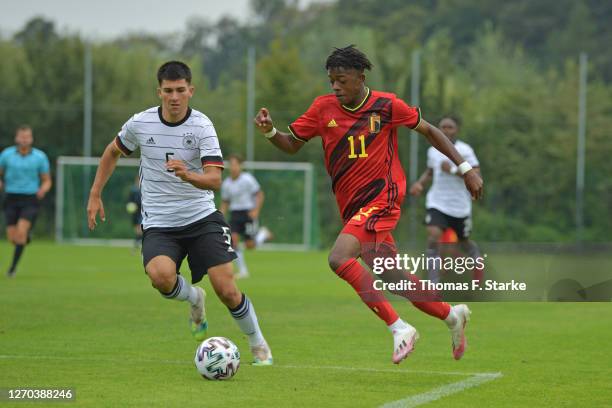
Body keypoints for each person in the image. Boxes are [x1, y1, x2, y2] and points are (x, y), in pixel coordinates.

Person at [254, 45, 483, 363]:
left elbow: (430, 132)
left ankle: (399, 328)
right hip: (354, 210)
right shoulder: (323, 109)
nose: (335, 86)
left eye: (342, 79)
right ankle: (452, 316)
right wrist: (269, 132)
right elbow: (292, 144)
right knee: (397, 279)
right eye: (331, 80)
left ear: (360, 77)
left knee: (338, 258)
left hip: (384, 199)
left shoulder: (387, 106)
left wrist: (465, 168)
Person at [87, 61, 272, 365]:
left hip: (201, 217)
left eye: (180, 90)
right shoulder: (140, 123)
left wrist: (188, 175)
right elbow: (112, 152)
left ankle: (257, 343)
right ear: (159, 91)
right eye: (168, 91)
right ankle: (194, 298)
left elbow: (214, 179)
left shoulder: (202, 126)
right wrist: (95, 193)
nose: (174, 97)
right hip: (160, 222)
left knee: (226, 288)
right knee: (160, 277)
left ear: (191, 90)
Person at [409, 116, 484, 283]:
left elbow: (476, 175)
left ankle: (477, 262)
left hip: (460, 206)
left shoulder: (465, 150)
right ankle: (433, 280)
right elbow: (430, 171)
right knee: (433, 236)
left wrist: (451, 169)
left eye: (450, 127)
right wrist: (420, 184)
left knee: (464, 242)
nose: (446, 130)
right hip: (437, 202)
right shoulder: (432, 150)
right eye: (442, 127)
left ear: (457, 130)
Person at [0, 125, 51, 277]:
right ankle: (25, 237)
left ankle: (12, 268)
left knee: (21, 233)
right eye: (21, 137)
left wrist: (43, 189)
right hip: (10, 198)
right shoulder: (6, 154)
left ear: (31, 138)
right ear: (16, 138)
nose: (24, 140)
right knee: (12, 238)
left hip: (30, 199)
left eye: (27, 137)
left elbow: (47, 180)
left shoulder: (40, 157)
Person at [220, 154, 271, 278]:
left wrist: (256, 210)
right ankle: (243, 271)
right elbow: (225, 202)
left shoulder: (247, 179)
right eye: (231, 165)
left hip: (248, 213)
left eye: (235, 164)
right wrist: (219, 216)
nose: (233, 167)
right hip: (235, 214)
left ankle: (263, 234)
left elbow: (259, 194)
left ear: (240, 166)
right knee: (234, 241)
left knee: (250, 245)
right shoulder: (226, 183)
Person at [126, 175, 143, 252]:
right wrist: (130, 206)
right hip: (134, 213)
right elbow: (129, 201)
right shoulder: (133, 190)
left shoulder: (144, 190)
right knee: (137, 230)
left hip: (141, 213)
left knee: (140, 229)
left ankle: (136, 246)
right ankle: (138, 244)